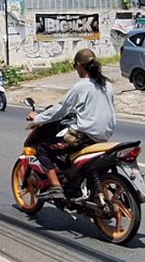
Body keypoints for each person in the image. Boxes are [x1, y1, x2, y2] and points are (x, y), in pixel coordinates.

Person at [26, 48, 116, 201]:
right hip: (103, 136)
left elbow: (60, 109)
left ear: (80, 65)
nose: (76, 70)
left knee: (41, 147)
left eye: (75, 67)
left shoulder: (81, 86)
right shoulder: (107, 85)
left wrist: (37, 118)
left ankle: (55, 187)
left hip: (83, 137)